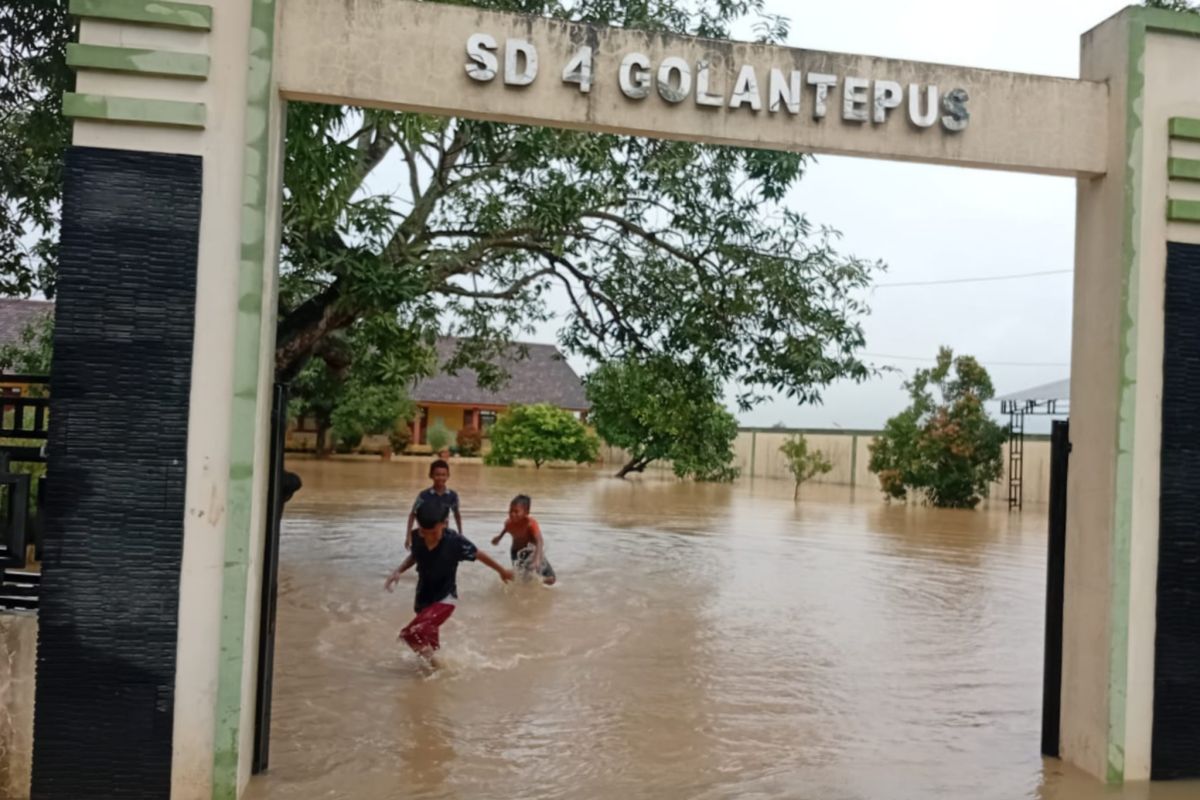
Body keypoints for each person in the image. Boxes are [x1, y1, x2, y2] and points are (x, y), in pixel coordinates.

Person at [385, 498, 512, 661]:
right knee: (429, 643)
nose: (429, 537)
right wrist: (398, 571)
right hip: (423, 599)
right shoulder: (416, 537)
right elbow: (415, 556)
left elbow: (479, 554)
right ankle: (436, 671)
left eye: (434, 533)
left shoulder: (455, 541)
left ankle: (436, 665)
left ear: (444, 523)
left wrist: (501, 571)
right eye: (425, 532)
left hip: (445, 599)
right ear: (418, 525)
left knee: (410, 633)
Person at [492, 494, 556, 586]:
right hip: (516, 553)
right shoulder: (508, 523)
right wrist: (498, 538)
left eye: (516, 511)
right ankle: (524, 582)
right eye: (510, 511)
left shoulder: (531, 524)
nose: (512, 514)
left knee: (551, 580)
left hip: (531, 552)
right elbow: (506, 529)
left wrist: (537, 559)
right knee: (521, 578)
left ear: (526, 512)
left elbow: (539, 541)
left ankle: (537, 581)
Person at [406, 459, 462, 550]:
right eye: (437, 475)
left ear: (448, 476)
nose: (440, 478)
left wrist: (460, 534)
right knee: (420, 559)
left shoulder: (452, 496)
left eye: (443, 475)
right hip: (424, 534)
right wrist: (408, 536)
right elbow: (412, 514)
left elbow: (457, 514)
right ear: (431, 476)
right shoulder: (423, 496)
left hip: (441, 535)